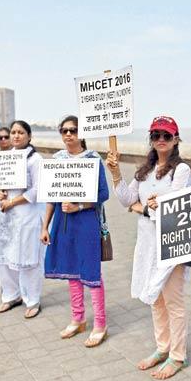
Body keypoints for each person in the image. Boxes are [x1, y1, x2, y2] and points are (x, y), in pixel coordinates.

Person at [106, 116, 191, 379]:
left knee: (173, 301)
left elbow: (171, 206)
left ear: (176, 139)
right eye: (156, 135)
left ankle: (178, 356)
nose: (161, 140)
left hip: (171, 242)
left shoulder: (182, 171)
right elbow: (126, 200)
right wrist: (116, 173)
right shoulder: (143, 172)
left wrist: (141, 208)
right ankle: (162, 347)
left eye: (167, 135)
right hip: (146, 243)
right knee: (155, 299)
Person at [42, 115, 110, 347]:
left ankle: (100, 323)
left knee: (91, 271)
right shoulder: (57, 160)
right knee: (71, 269)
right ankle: (78, 318)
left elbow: (103, 194)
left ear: (82, 133)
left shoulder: (93, 159)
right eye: (64, 131)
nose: (69, 134)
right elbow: (50, 196)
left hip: (86, 220)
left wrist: (79, 205)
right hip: (63, 221)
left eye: (73, 130)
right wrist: (45, 226)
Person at [0, 120, 45, 319]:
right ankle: (11, 295)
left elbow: (38, 190)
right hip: (6, 213)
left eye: (20, 132)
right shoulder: (6, 157)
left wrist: (13, 201)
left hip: (27, 214)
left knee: (27, 258)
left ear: (29, 136)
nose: (15, 136)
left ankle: (32, 300)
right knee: (4, 256)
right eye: (13, 132)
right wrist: (0, 193)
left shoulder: (36, 159)